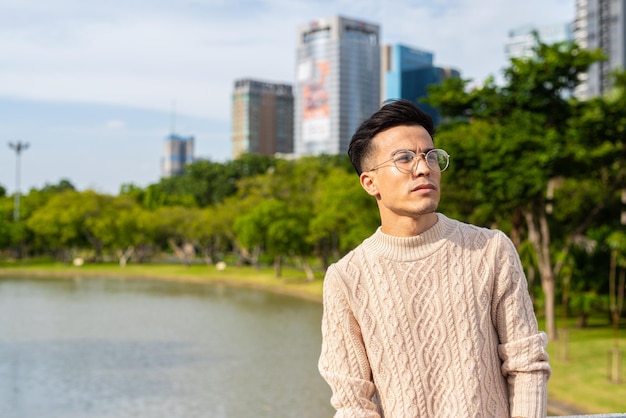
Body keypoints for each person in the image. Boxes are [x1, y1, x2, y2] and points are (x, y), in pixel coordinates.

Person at [318, 99, 551, 418]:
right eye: (404, 158)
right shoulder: (346, 278)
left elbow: (526, 364)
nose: (424, 167)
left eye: (430, 155)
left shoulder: (490, 249)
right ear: (370, 182)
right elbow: (352, 401)